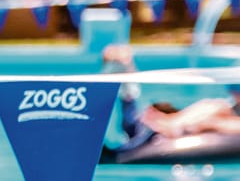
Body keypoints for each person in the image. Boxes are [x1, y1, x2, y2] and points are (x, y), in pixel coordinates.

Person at [102, 43, 240, 150]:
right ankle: (127, 84)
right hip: (162, 129)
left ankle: (127, 86)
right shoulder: (221, 107)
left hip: (164, 130)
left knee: (217, 107)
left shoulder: (222, 110)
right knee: (217, 106)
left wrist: (201, 124)